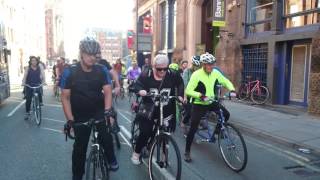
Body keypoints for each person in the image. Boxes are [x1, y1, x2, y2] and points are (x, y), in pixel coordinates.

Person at [60, 37, 118, 180]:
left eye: (95, 54)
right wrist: (70, 120)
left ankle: (111, 159)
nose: (92, 58)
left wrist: (108, 112)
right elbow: (65, 98)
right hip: (79, 113)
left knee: (106, 135)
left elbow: (108, 91)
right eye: (89, 54)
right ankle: (77, 175)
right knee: (80, 147)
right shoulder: (70, 72)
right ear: (81, 53)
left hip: (98, 109)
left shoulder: (101, 69)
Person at [130, 54, 184, 165]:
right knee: (145, 132)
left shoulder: (173, 74)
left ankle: (165, 156)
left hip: (166, 110)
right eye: (160, 69)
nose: (163, 71)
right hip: (149, 110)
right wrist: (141, 91)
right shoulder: (146, 74)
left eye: (165, 68)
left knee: (166, 133)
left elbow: (180, 83)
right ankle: (136, 153)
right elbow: (137, 85)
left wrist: (180, 95)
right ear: (154, 66)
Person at [184, 52, 236, 162]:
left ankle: (216, 132)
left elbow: (225, 81)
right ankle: (187, 152)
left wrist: (232, 89)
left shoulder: (215, 73)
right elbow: (188, 90)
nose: (211, 66)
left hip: (211, 101)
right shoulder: (196, 74)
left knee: (226, 114)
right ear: (203, 64)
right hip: (199, 103)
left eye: (213, 64)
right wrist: (201, 96)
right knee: (193, 128)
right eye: (209, 64)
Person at [180, 56, 201, 132]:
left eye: (198, 66)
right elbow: (185, 86)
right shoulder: (187, 72)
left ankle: (197, 123)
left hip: (195, 94)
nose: (197, 67)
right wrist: (185, 98)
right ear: (193, 64)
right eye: (195, 65)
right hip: (186, 94)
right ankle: (184, 122)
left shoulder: (201, 72)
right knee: (190, 111)